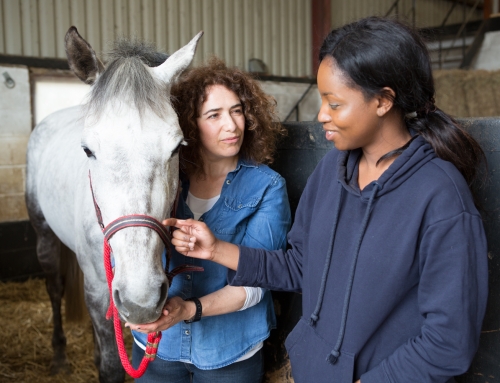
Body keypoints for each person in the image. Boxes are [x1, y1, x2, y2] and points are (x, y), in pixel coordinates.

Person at [164, 17, 489, 383]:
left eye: (334, 104)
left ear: (383, 100)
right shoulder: (332, 169)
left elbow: (449, 342)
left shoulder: (441, 197)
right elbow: (301, 267)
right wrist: (216, 250)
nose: (321, 115)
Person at [129, 57, 291, 383]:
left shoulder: (267, 186)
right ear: (189, 123)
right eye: (214, 115)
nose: (231, 125)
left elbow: (259, 283)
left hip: (230, 351)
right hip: (158, 345)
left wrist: (189, 309)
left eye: (236, 111)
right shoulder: (165, 182)